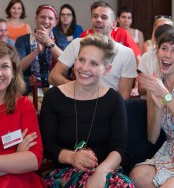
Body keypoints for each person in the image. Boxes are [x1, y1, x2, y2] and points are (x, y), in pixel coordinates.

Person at [40, 33, 134, 188]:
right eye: (81, 60)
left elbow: (119, 148)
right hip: (63, 173)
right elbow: (47, 145)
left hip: (106, 173)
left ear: (107, 69)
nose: (84, 68)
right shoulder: (54, 96)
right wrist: (71, 157)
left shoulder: (114, 99)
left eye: (94, 64)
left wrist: (101, 172)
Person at [49, 1, 137, 100]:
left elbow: (124, 97)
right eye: (95, 16)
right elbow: (53, 76)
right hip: (77, 102)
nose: (98, 20)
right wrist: (77, 88)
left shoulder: (126, 53)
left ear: (114, 24)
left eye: (104, 17)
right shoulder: (77, 43)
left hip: (108, 108)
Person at [0, 41, 45, 187]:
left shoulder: (24, 105)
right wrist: (15, 160)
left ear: (13, 73)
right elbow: (24, 162)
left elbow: (33, 159)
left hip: (20, 183)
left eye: (4, 66)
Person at [130, 25, 174, 187]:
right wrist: (156, 108)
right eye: (164, 48)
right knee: (137, 176)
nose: (167, 55)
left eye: (173, 50)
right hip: (169, 151)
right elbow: (152, 137)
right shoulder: (156, 86)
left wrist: (165, 95)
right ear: (157, 53)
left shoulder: (161, 90)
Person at [15, 4, 62, 97]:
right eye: (42, 17)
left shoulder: (60, 38)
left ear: (55, 22)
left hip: (56, 89)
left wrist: (49, 42)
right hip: (29, 91)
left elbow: (67, 62)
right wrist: (36, 51)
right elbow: (19, 67)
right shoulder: (22, 40)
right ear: (36, 19)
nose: (46, 21)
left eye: (50, 18)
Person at [138, 24, 173, 98]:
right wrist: (155, 88)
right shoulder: (147, 57)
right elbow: (140, 90)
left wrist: (162, 92)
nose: (167, 55)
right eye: (163, 48)